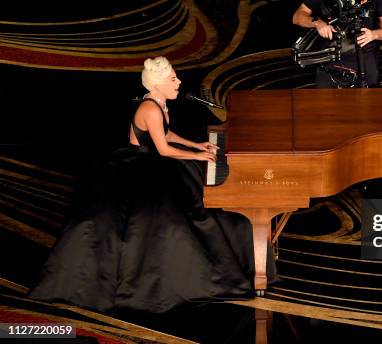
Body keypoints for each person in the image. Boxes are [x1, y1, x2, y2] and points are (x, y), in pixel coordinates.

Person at [29, 57, 277, 313]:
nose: (178, 81)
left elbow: (166, 133)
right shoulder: (149, 108)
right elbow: (164, 149)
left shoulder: (159, 102)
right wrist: (197, 155)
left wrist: (196, 145)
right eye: (172, 79)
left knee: (201, 196)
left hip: (155, 158)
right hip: (142, 164)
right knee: (176, 215)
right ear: (158, 84)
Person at [292, 0, 382, 88]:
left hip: (364, 68)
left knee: (363, 109)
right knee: (326, 110)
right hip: (329, 67)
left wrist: (373, 34)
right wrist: (317, 22)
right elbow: (297, 16)